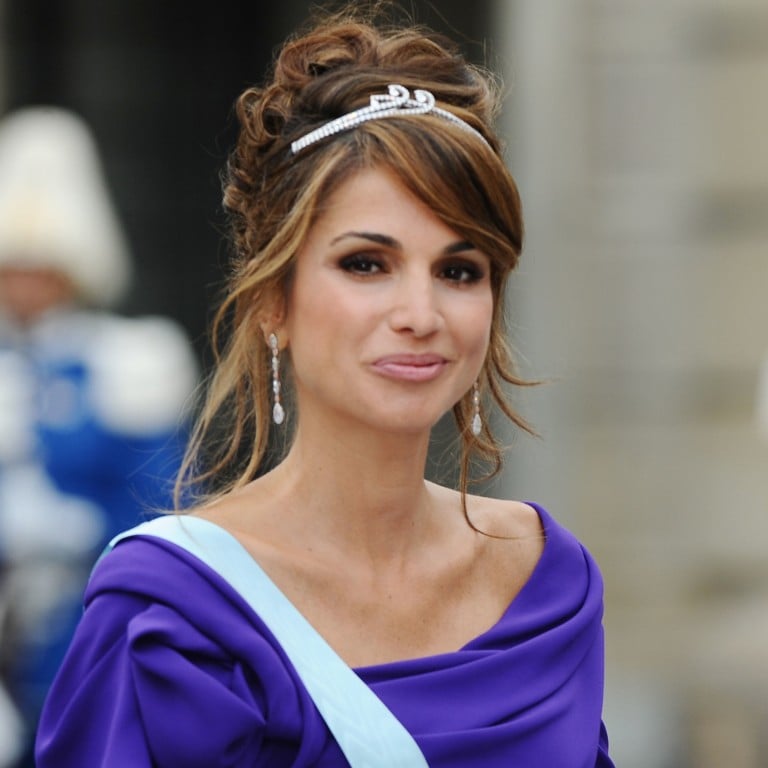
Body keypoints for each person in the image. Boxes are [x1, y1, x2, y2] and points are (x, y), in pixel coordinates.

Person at [35, 6, 614, 767]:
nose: (421, 314)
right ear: (274, 302)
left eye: (459, 270)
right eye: (366, 263)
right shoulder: (170, 613)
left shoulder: (550, 584)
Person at [0, 106, 198, 766]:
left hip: (87, 614)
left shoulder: (125, 364)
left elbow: (164, 506)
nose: (22, 283)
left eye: (39, 265)